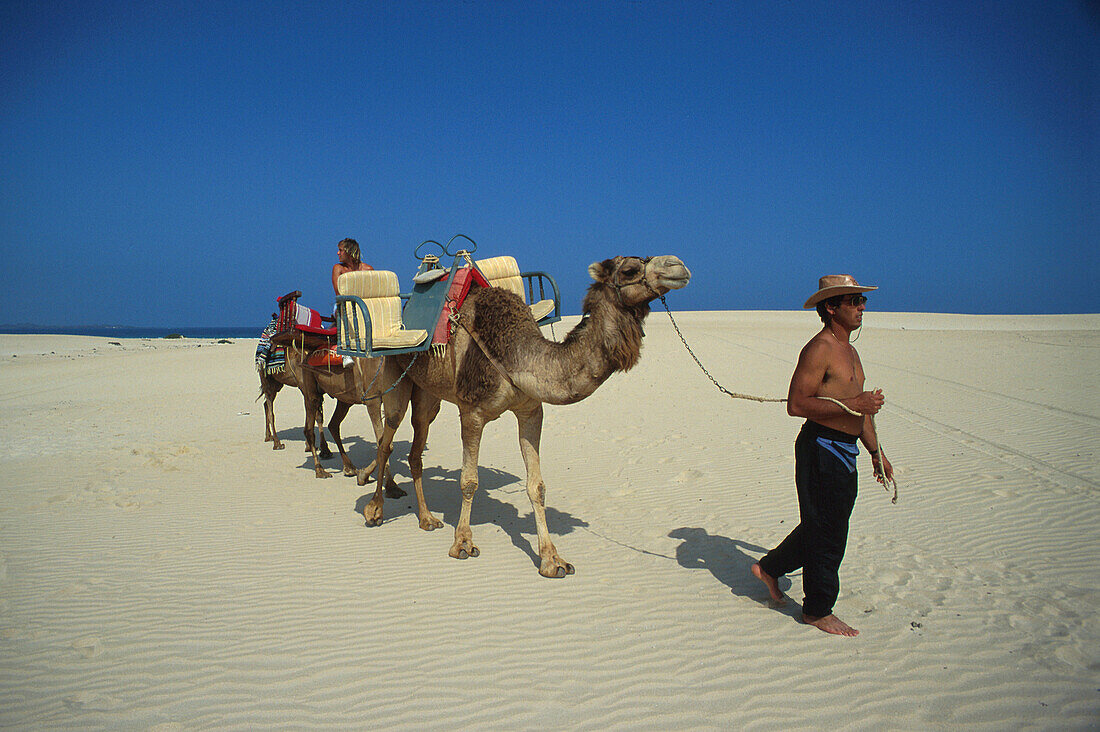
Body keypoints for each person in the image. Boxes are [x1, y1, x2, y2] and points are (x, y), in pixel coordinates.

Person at [752, 274, 895, 637]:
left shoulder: (850, 350)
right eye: (854, 301)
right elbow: (797, 404)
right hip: (820, 447)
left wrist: (877, 452)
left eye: (863, 301)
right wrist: (856, 403)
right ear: (831, 307)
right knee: (828, 532)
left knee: (827, 525)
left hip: (846, 450)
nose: (862, 307)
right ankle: (817, 609)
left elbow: (860, 413)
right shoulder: (819, 348)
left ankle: (770, 568)